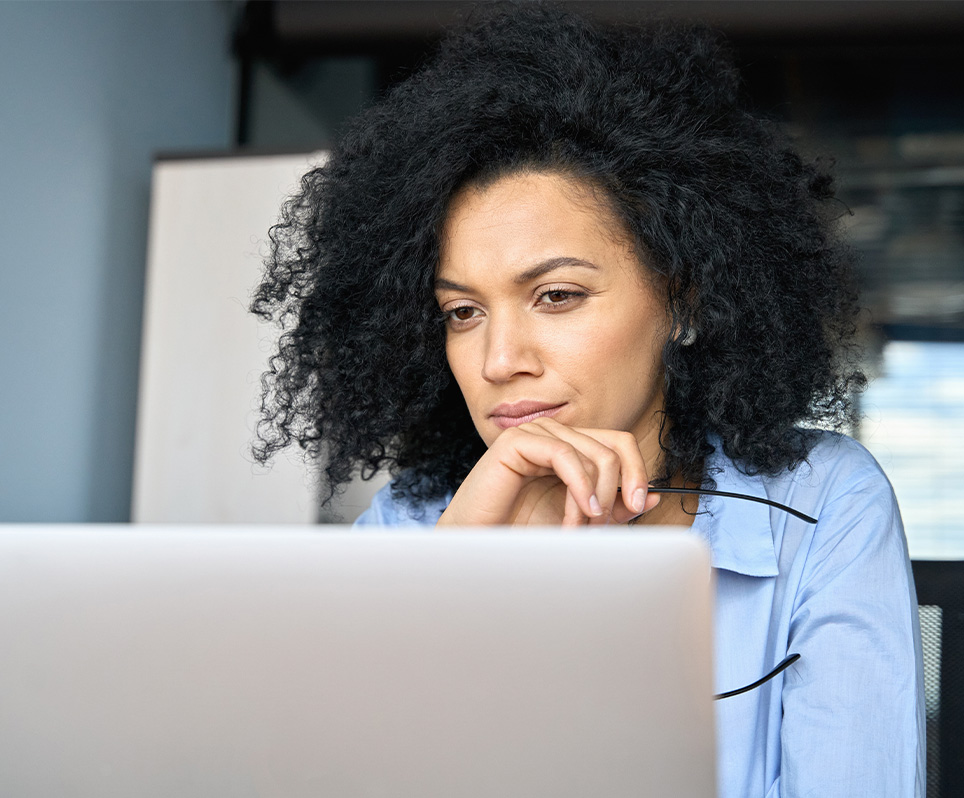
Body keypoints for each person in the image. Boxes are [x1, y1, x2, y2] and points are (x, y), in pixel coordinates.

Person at [251, 4, 925, 795]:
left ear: (685, 302)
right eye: (462, 313)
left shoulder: (822, 505)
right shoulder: (412, 527)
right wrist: (455, 578)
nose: (499, 360)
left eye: (558, 295)